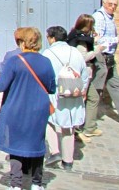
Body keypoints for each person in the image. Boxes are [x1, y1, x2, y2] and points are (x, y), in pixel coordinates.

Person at [0, 27, 56, 190]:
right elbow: (51, 88)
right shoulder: (46, 62)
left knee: (15, 146)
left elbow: (1, 86)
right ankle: (37, 182)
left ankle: (16, 183)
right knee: (36, 144)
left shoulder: (14, 61)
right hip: (38, 110)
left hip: (15, 109)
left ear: (23, 43)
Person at [41, 25, 88, 171]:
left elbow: (43, 74)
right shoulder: (75, 52)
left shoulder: (48, 53)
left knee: (49, 121)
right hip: (73, 91)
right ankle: (68, 160)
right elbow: (84, 74)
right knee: (69, 126)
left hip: (55, 92)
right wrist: (83, 90)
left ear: (53, 38)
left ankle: (55, 151)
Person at [67, 13, 106, 140]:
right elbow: (82, 57)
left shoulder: (79, 36)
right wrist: (97, 50)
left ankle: (85, 128)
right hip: (83, 73)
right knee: (80, 100)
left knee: (89, 98)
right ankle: (76, 130)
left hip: (86, 73)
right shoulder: (80, 40)